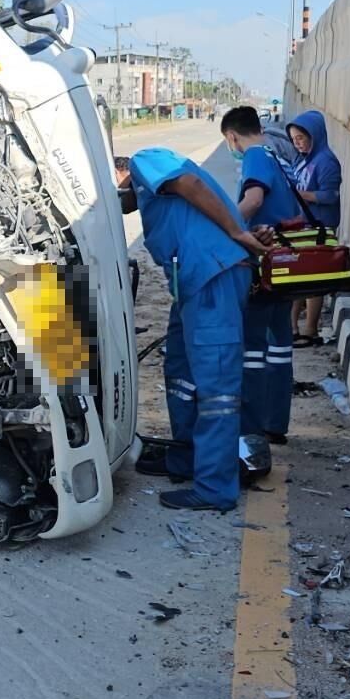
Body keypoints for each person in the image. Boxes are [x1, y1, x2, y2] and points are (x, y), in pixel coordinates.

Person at [119, 146, 271, 511]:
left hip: (211, 278)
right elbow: (123, 203)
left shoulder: (145, 160)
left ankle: (215, 487)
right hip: (192, 283)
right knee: (181, 371)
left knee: (216, 386)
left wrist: (237, 232)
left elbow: (189, 182)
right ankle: (188, 458)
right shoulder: (146, 190)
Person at [221, 106, 304, 447]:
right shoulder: (277, 156)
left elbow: (253, 200)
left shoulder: (254, 156)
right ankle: (275, 422)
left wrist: (226, 227)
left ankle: (252, 425)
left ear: (232, 136)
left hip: (264, 262)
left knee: (254, 345)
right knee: (280, 344)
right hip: (287, 260)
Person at [289, 110, 343, 345]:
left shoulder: (326, 161)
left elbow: (330, 195)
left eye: (301, 138)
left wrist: (303, 196)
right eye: (293, 139)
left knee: (312, 282)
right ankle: (292, 328)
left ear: (315, 135)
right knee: (297, 280)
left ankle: (310, 330)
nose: (297, 143)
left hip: (319, 228)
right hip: (303, 228)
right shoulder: (302, 159)